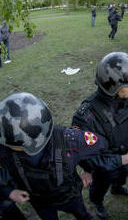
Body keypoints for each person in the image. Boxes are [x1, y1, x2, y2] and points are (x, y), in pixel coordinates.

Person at [0, 92, 112, 220]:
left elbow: (100, 146)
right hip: (39, 201)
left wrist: (89, 170)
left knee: (83, 215)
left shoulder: (69, 140)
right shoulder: (5, 148)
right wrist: (9, 192)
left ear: (27, 143)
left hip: (69, 196)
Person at [72, 52, 128, 219]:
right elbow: (90, 159)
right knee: (100, 186)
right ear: (112, 85)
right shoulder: (87, 116)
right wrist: (125, 159)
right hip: (106, 167)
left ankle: (117, 187)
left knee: (121, 176)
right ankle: (97, 202)